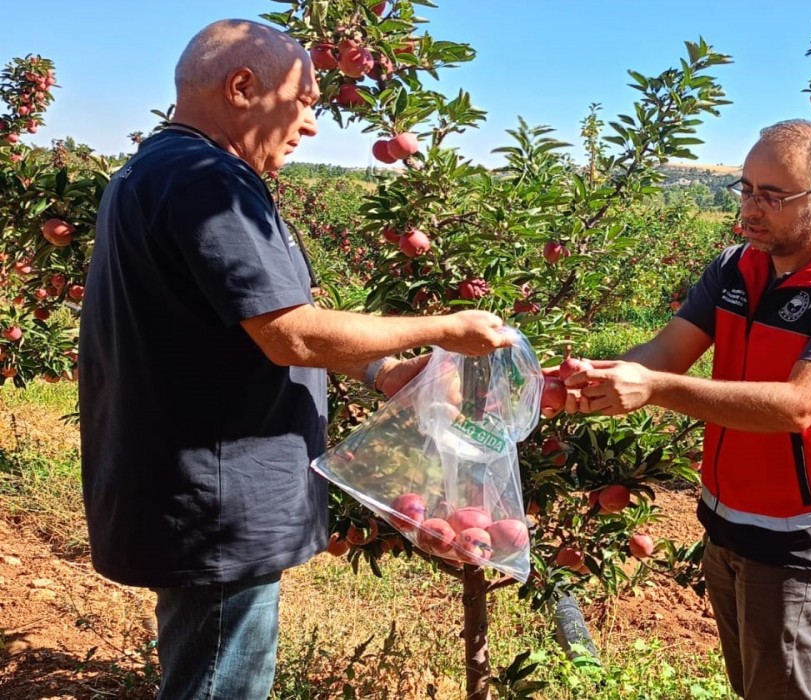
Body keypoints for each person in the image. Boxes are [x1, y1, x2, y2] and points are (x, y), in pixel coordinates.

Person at [78, 19, 511, 700]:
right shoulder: (206, 182)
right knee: (221, 683)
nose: (311, 124)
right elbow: (292, 334)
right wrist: (446, 327)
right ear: (243, 87)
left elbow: (238, 325)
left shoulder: (158, 169)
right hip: (218, 494)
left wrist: (381, 371)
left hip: (187, 484)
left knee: (203, 666)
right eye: (306, 100)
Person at [562, 119, 811, 699]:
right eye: (747, 189)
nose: (752, 208)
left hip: (802, 540)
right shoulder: (735, 267)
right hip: (725, 522)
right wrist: (588, 378)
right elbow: (666, 350)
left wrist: (652, 388)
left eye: (773, 196)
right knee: (747, 686)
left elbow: (800, 406)